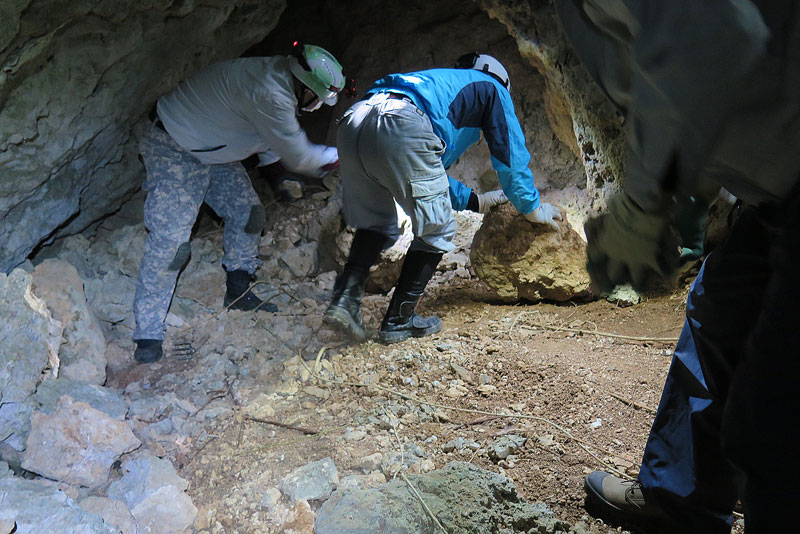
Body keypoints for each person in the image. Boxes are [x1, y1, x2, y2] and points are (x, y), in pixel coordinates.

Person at [555, 1, 800, 532]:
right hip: (775, 188)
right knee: (720, 311)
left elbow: (715, 38)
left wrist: (643, 205)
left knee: (774, 418)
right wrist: (675, 199)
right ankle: (679, 498)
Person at [324, 53, 562, 344]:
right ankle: (399, 320)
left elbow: (427, 175)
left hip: (355, 120)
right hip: (400, 123)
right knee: (438, 227)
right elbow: (509, 153)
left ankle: (345, 303)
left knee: (376, 223)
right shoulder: (492, 87)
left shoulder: (438, 86)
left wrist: (477, 202)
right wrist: (531, 207)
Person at [133, 42, 347, 364]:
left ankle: (239, 291)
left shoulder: (280, 76)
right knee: (172, 244)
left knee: (249, 214)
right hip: (173, 143)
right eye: (318, 98)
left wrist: (276, 174)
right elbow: (301, 155)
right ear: (306, 87)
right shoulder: (270, 92)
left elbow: (262, 132)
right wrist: (347, 157)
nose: (319, 106)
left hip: (211, 149)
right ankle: (147, 332)